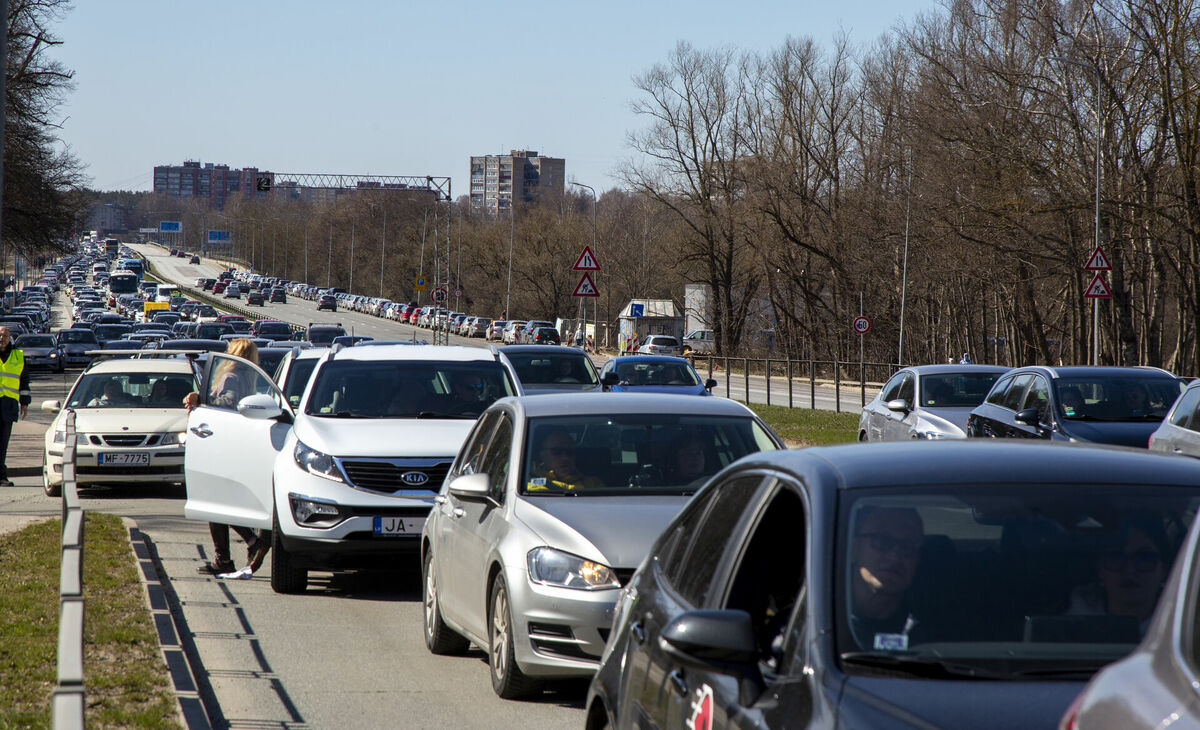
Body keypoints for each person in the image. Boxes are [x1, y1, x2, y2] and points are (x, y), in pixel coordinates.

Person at [183, 338, 270, 575]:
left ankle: (231, 554)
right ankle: (240, 548)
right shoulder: (248, 378)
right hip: (236, 442)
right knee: (219, 501)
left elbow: (228, 403)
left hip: (221, 442)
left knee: (214, 502)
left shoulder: (231, 377)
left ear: (232, 354)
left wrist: (202, 401)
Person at [1068, 522, 1168, 634]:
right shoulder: (1067, 633)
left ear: (1164, 570)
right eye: (1116, 558)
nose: (1129, 571)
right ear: (1100, 570)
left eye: (1144, 558)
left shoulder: (1188, 631)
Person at [848, 506, 924, 649]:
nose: (895, 557)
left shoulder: (933, 630)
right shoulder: (822, 616)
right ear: (853, 547)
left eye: (907, 546)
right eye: (881, 541)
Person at [527, 428, 603, 491]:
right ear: (541, 455)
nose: (565, 458)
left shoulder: (593, 483)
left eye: (570, 452)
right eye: (557, 451)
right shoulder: (527, 485)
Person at [0, 326, 29, 487]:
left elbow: (24, 381)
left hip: (8, 405)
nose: (1, 338)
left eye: (4, 335)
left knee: (3, 444)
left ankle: (1, 476)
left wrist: (24, 403)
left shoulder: (18, 356)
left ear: (9, 337)